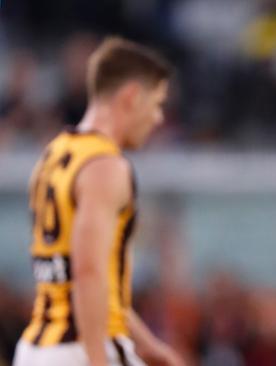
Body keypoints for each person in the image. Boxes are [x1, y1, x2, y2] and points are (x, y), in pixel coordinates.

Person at [13, 37, 185, 366]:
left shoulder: (54, 154)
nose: (158, 118)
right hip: (82, 347)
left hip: (36, 349)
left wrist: (146, 344)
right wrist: (97, 360)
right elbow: (87, 271)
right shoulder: (105, 166)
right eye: (156, 103)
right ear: (132, 96)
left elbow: (78, 273)